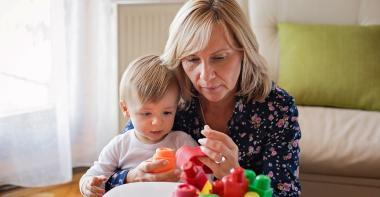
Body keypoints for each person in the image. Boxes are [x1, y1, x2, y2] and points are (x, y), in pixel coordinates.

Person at [108, 0, 301, 196]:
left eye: (219, 57)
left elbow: (286, 193)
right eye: (192, 59)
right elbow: (108, 173)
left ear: (244, 52)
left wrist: (237, 178)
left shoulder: (277, 107)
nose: (206, 75)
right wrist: (132, 176)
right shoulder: (170, 96)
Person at [79, 55, 197, 196]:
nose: (157, 122)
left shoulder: (182, 142)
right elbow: (93, 177)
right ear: (125, 109)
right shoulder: (120, 145)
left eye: (167, 112)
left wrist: (190, 178)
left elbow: (204, 178)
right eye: (146, 113)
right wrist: (87, 185)